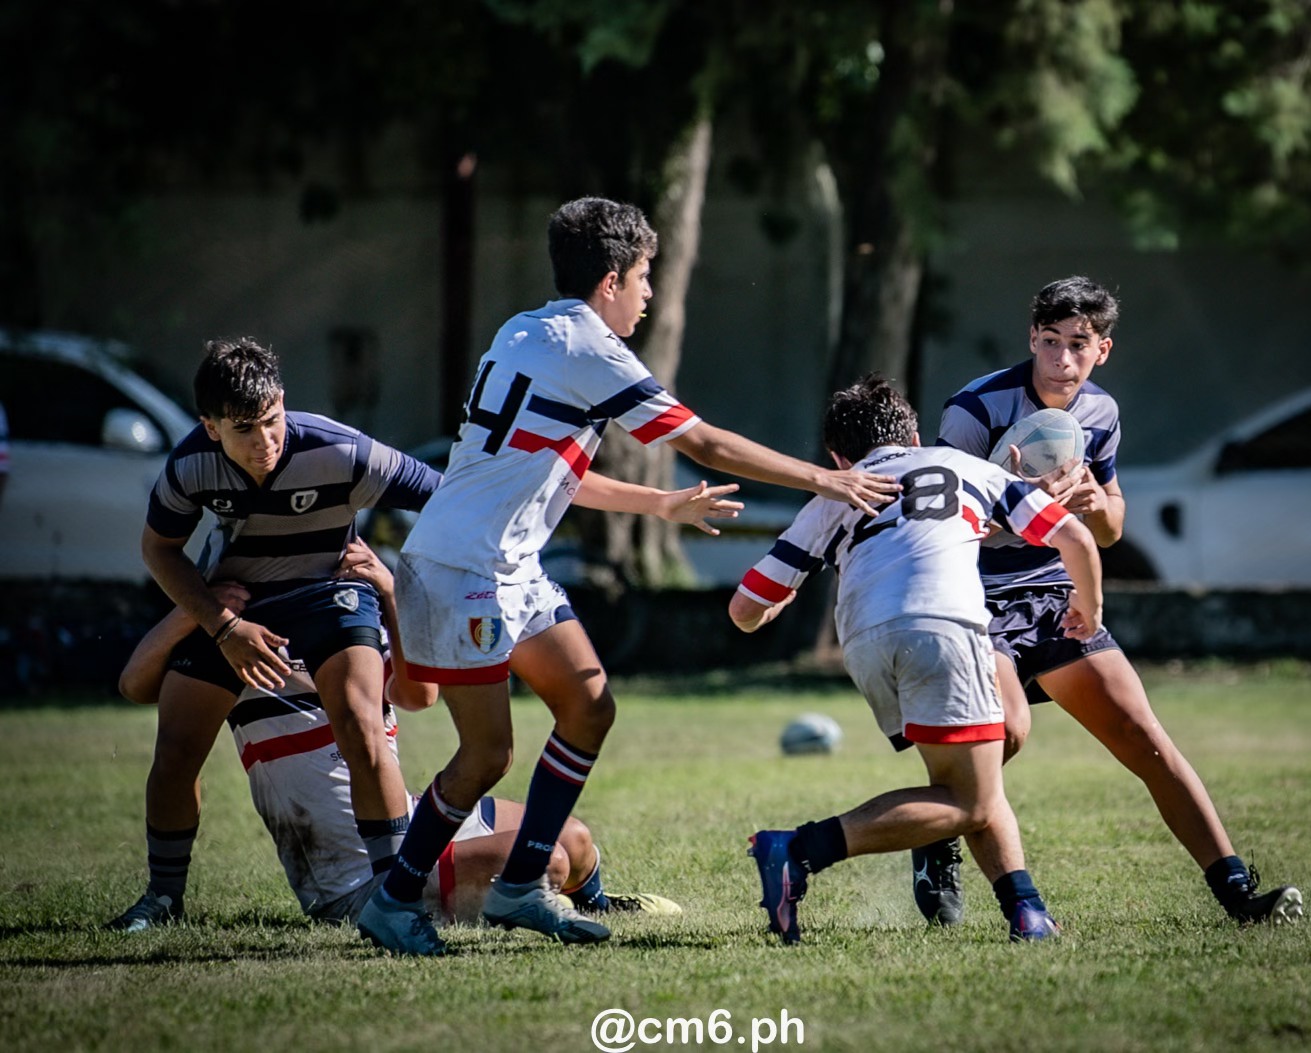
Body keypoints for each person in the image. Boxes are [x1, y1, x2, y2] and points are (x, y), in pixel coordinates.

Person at [357, 196, 902, 955]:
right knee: (487, 755)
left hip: (504, 565)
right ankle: (391, 900)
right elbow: (704, 439)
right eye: (645, 277)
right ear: (610, 278)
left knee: (588, 705)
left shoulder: (527, 328)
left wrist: (659, 502)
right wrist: (824, 480)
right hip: (461, 568)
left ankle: (519, 887)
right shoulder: (589, 350)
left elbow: (547, 469)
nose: (650, 293)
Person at [916, 275, 1302, 927]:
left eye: (1077, 344)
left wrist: (1094, 502)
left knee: (1142, 735)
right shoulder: (975, 409)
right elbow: (935, 524)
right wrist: (1016, 496)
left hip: (1055, 594)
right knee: (1005, 731)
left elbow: (1112, 526)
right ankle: (934, 841)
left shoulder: (1100, 413)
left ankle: (1238, 895)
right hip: (972, 597)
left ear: (1102, 349)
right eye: (1048, 342)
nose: (1061, 359)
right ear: (1030, 339)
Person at [116, 539, 680, 927]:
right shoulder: (244, 643)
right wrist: (200, 612)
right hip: (348, 870)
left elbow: (418, 695)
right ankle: (475, 904)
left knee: (573, 838)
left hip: (402, 821)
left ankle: (599, 907)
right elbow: (136, 682)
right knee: (546, 862)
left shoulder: (351, 630)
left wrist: (390, 595)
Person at [732, 374, 1103, 943]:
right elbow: (1074, 538)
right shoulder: (969, 468)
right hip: (944, 626)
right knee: (969, 800)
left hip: (864, 642)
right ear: (913, 433)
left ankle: (1027, 914)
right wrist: (1089, 607)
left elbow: (744, 609)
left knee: (982, 762)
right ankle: (797, 850)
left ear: (838, 455)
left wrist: (771, 607)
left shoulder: (833, 492)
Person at [107, 338, 441, 931]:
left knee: (362, 721)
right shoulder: (189, 466)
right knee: (177, 745)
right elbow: (158, 549)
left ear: (283, 402)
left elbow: (445, 501)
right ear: (209, 427)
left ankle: (393, 898)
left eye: (271, 422)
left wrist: (399, 584)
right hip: (238, 602)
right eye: (243, 430)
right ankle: (162, 898)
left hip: (329, 593)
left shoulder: (341, 450)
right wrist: (221, 622)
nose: (265, 442)